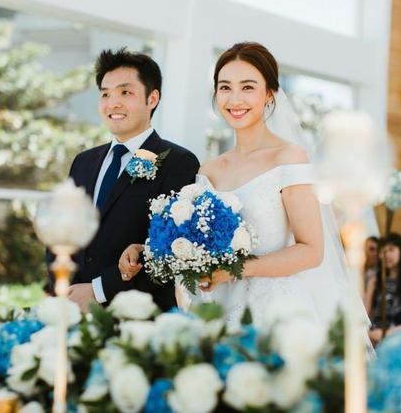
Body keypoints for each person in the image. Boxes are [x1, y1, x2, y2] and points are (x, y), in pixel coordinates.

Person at [119, 42, 367, 332]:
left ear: (269, 94)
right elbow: (195, 239)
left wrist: (235, 271)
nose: (235, 99)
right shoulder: (209, 170)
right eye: (225, 88)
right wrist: (150, 249)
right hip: (214, 308)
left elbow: (312, 250)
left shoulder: (289, 158)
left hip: (273, 312)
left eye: (248, 87)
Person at [46, 48, 200, 312]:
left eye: (125, 92)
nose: (112, 103)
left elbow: (172, 251)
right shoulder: (83, 162)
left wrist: (98, 290)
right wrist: (63, 289)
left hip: (138, 317)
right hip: (73, 310)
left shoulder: (179, 162)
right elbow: (60, 232)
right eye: (105, 94)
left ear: (152, 98)